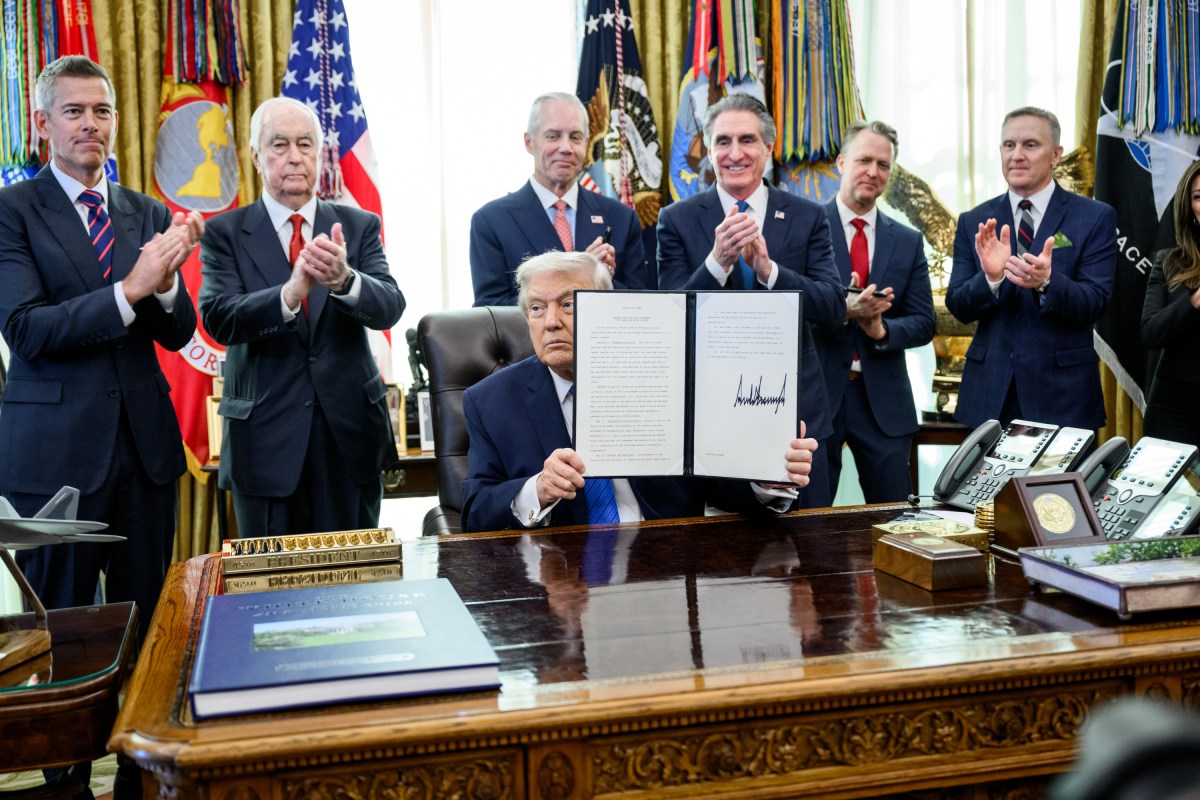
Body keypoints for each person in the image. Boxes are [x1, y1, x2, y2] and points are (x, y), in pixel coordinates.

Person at [0, 56, 203, 646]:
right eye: (74, 111)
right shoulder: (11, 212)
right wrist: (130, 289)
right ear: (43, 124)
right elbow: (26, 330)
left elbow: (178, 333)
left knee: (149, 637)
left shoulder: (148, 213)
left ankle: (142, 740)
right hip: (55, 463)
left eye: (102, 110)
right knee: (61, 639)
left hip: (145, 456)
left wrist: (165, 286)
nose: (91, 123)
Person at [460, 250, 818, 533]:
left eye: (568, 305)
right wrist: (537, 489)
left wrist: (767, 476)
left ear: (608, 308)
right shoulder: (490, 401)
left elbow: (717, 486)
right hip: (562, 574)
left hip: (666, 561)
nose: (551, 321)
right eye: (537, 308)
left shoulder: (669, 378)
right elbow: (475, 512)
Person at [199, 97, 405, 536]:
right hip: (265, 444)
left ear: (318, 153)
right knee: (273, 595)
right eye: (279, 144)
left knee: (356, 586)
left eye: (305, 144)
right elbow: (218, 318)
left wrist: (345, 280)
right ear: (255, 156)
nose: (294, 156)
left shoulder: (358, 225)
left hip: (349, 439)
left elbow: (390, 305)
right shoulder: (224, 234)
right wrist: (290, 294)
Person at [655, 93, 844, 507]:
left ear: (768, 148)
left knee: (811, 553)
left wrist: (769, 272)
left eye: (747, 140)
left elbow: (832, 306)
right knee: (725, 558)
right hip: (713, 418)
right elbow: (668, 323)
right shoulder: (676, 220)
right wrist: (717, 262)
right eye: (723, 141)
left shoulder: (808, 216)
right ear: (708, 149)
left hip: (797, 421)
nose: (734, 153)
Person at [946, 106, 1117, 431]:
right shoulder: (975, 221)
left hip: (1064, 398)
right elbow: (958, 304)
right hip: (990, 396)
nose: (1017, 155)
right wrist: (992, 279)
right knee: (984, 486)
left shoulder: (1094, 217)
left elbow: (1096, 302)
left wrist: (1048, 282)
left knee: (1058, 486)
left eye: (1030, 145)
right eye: (1009, 145)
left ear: (1055, 155)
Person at [814, 121, 935, 502]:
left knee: (895, 520)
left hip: (882, 399)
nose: (873, 172)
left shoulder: (908, 240)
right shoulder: (807, 227)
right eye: (864, 160)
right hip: (818, 397)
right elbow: (789, 309)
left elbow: (923, 322)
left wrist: (880, 330)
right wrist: (843, 310)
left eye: (883, 165)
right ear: (841, 163)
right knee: (807, 524)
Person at [470, 92, 651, 306]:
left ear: (586, 143)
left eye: (575, 137)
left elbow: (641, 305)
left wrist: (602, 281)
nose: (566, 148)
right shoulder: (492, 222)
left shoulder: (621, 218)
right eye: (553, 136)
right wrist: (580, 276)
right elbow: (490, 311)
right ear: (529, 142)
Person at [1141, 160, 1200, 447]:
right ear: (1189, 208)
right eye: (1199, 196)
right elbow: (1151, 332)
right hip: (1173, 408)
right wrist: (1194, 302)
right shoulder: (1169, 262)